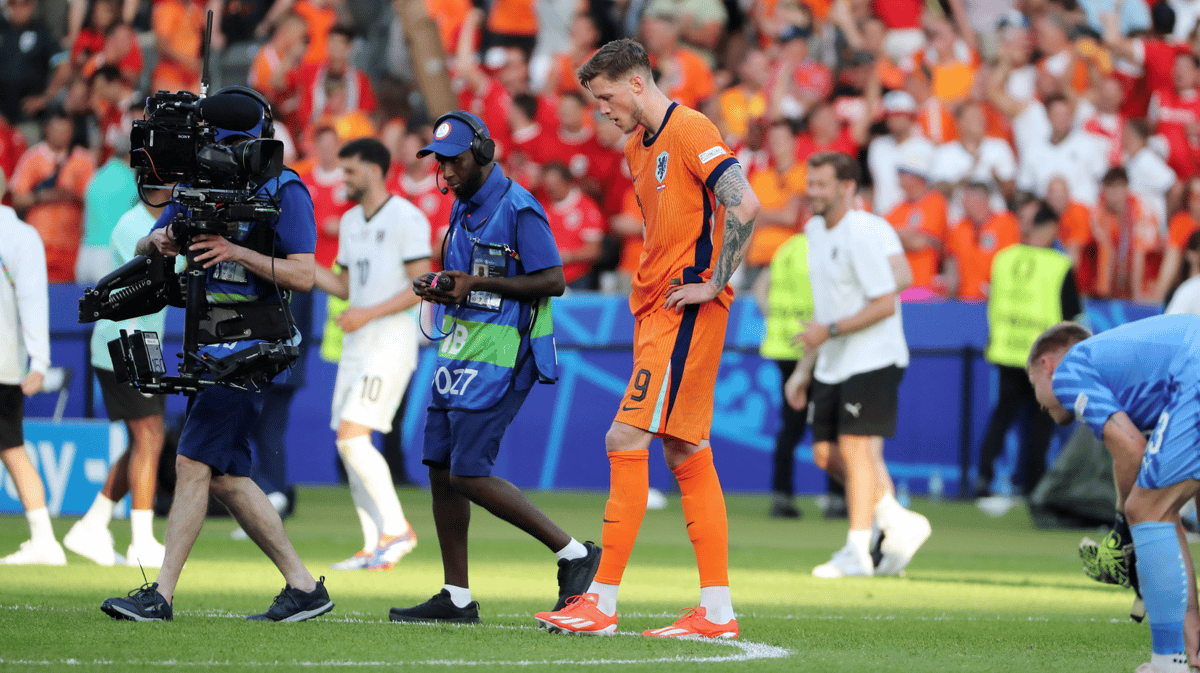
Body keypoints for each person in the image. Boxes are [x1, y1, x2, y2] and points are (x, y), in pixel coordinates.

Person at [537, 38, 761, 639]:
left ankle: (601, 602)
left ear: (637, 83)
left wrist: (714, 281)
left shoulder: (689, 129)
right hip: (656, 309)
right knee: (685, 449)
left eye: (606, 97)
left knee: (625, 433)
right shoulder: (638, 145)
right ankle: (715, 612)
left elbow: (744, 204)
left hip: (684, 307)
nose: (602, 110)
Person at [100, 89, 334, 622]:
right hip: (209, 346)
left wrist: (237, 251)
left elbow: (304, 273)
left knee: (189, 462)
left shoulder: (286, 188)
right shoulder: (201, 183)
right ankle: (303, 587)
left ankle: (160, 594)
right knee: (226, 477)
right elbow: (152, 239)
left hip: (253, 346)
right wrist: (157, 244)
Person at [388, 110, 601, 624]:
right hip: (460, 353)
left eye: (455, 160)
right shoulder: (461, 209)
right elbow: (466, 276)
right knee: (440, 469)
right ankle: (456, 597)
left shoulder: (519, 208)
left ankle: (574, 553)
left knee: (466, 471)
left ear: (483, 153)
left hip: (506, 358)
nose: (447, 171)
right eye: (440, 162)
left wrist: (473, 285)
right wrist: (443, 284)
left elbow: (553, 280)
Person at [784, 151, 931, 579]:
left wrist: (827, 333)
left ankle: (858, 549)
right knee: (826, 455)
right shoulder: (813, 230)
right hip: (834, 357)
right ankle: (897, 521)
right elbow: (828, 304)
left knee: (855, 448)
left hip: (874, 355)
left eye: (822, 184)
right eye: (810, 184)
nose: (813, 192)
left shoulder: (866, 232)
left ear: (847, 188)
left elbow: (888, 299)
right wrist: (804, 367)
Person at [1027, 315, 1200, 673]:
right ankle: (1192, 650)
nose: (1040, 403)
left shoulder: (1068, 373)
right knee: (1158, 509)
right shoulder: (1126, 375)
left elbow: (1131, 451)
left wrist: (1125, 527)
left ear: (1047, 365)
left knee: (1148, 510)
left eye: (1033, 386)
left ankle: (1171, 662)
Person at [313, 137, 427, 571]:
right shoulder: (350, 222)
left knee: (352, 436)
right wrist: (300, 267)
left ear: (376, 171)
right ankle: (372, 544)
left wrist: (367, 314)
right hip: (357, 347)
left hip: (390, 344)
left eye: (350, 171)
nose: (343, 179)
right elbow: (345, 286)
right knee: (348, 444)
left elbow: (421, 284)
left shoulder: (406, 218)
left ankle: (397, 529)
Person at [63, 200, 171, 568]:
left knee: (147, 440)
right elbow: (132, 298)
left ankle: (92, 525)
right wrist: (140, 363)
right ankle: (141, 543)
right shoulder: (131, 225)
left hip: (144, 342)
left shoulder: (167, 218)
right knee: (150, 437)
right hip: (124, 340)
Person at [975, 204, 1082, 503]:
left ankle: (983, 476)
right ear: (1048, 227)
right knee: (1041, 419)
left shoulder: (1004, 258)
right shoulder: (1058, 264)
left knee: (1003, 415)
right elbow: (1072, 313)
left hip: (1008, 349)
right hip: (1044, 356)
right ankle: (1032, 485)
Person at [0, 172, 62, 566]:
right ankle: (43, 539)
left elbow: (33, 298)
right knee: (12, 448)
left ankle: (44, 540)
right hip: (4, 363)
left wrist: (39, 361)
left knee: (13, 448)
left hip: (3, 363)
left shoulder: (19, 236)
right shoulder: (19, 235)